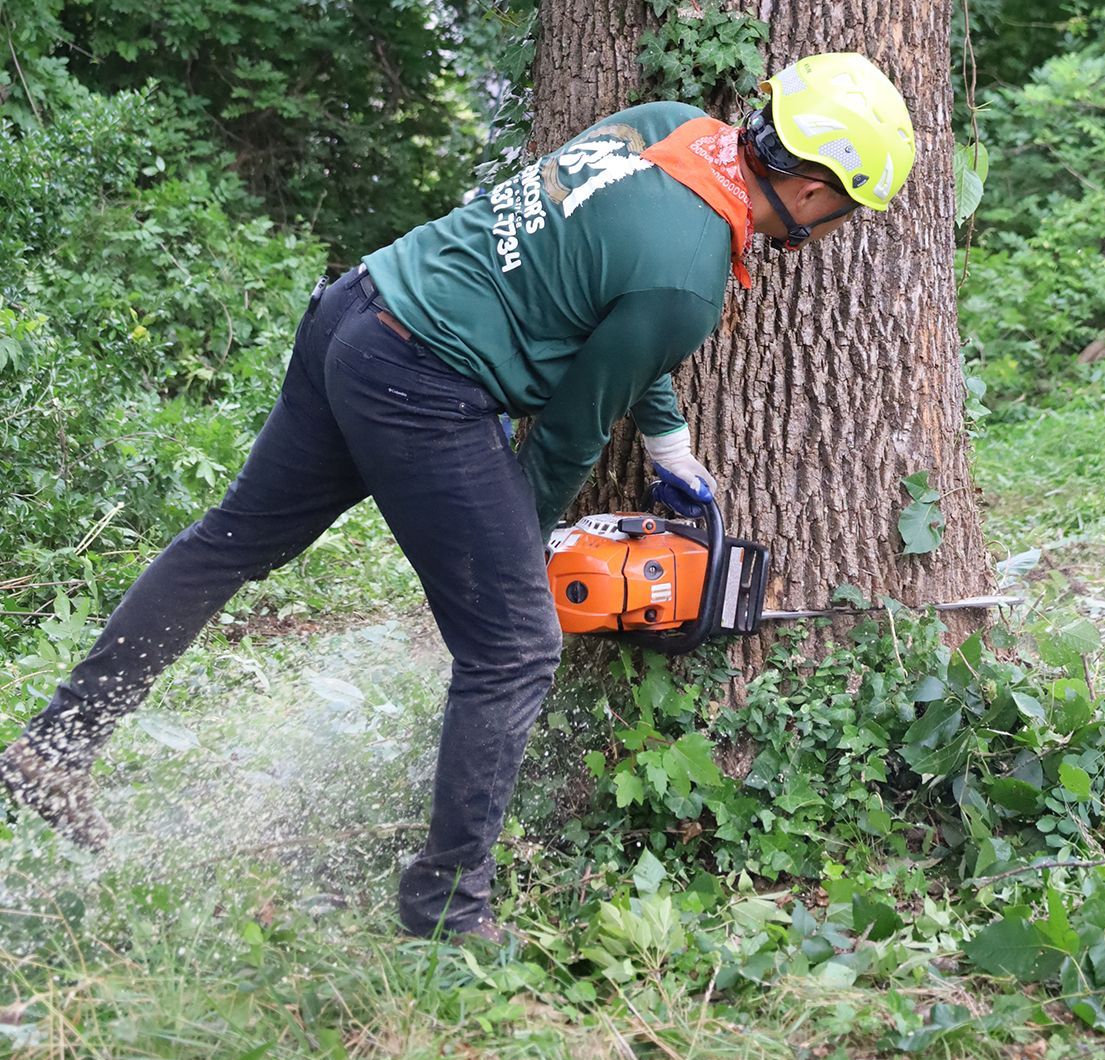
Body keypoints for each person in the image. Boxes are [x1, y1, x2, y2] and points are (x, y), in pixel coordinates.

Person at [0, 53, 915, 938]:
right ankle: (448, 907)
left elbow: (607, 298)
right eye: (845, 212)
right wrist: (516, 559)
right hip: (424, 385)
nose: (834, 229)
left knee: (229, 540)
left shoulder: (669, 128)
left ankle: (58, 743)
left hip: (357, 312)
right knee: (515, 647)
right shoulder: (691, 277)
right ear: (810, 193)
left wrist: (667, 436)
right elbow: (564, 432)